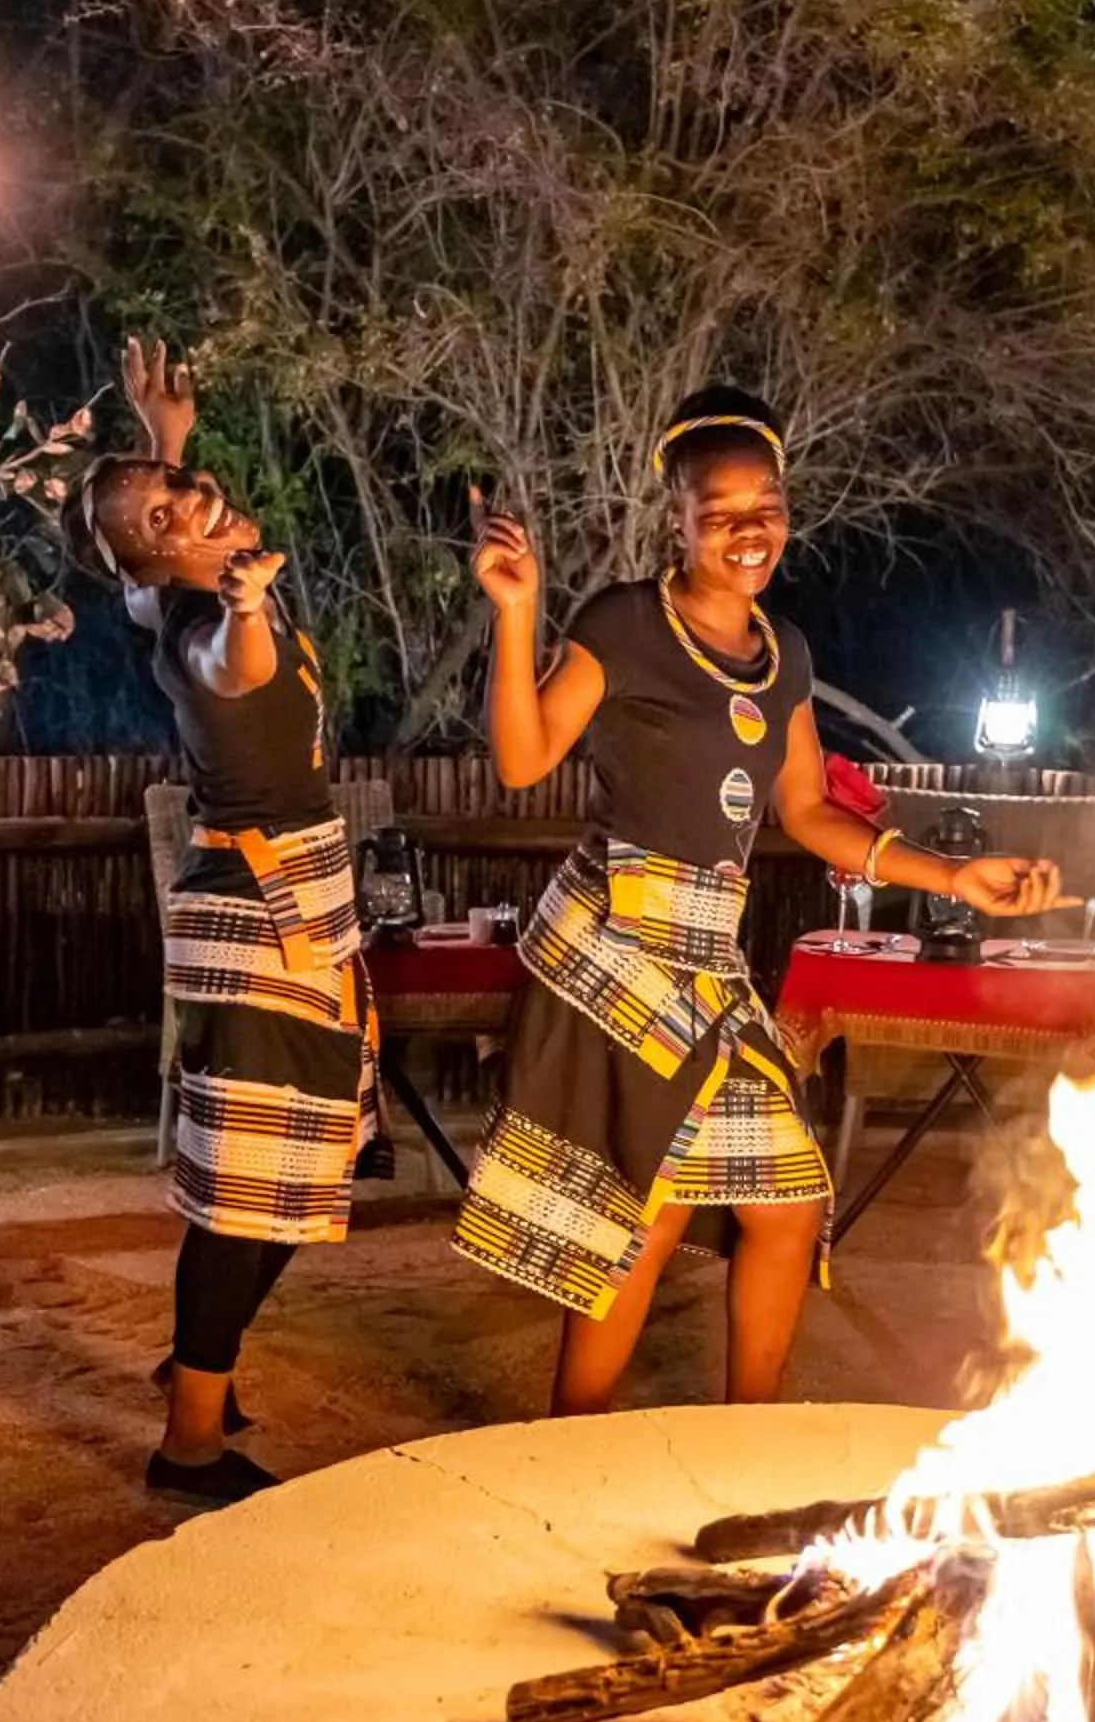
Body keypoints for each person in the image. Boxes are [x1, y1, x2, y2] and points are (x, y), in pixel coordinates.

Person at [452, 385, 1062, 1415]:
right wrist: (517, 616)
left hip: (709, 946)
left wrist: (949, 876)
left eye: (766, 504)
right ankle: (568, 1439)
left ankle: (750, 1432)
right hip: (617, 936)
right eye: (720, 507)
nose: (749, 529)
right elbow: (521, 757)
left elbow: (812, 810)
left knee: (787, 1197)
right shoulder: (626, 623)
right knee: (638, 1200)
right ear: (677, 519)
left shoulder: (786, 655)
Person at [86, 336, 383, 1504]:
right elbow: (233, 655)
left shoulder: (168, 592)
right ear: (172, 552)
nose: (199, 495)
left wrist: (169, 445)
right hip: (267, 912)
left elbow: (148, 567)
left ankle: (194, 1366)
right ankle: (191, 1437)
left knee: (293, 1170)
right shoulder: (213, 629)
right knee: (248, 1188)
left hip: (280, 902)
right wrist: (250, 599)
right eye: (173, 505)